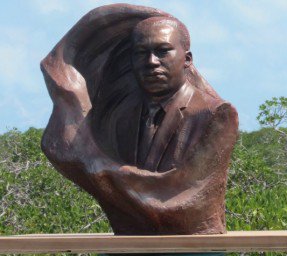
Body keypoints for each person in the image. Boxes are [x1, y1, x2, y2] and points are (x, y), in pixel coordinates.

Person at [41, 4, 238, 237]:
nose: (152, 61)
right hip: (131, 240)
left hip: (192, 241)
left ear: (187, 59)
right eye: (141, 52)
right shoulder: (120, 116)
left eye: (163, 51)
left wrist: (101, 168)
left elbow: (185, 196)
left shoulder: (215, 115)